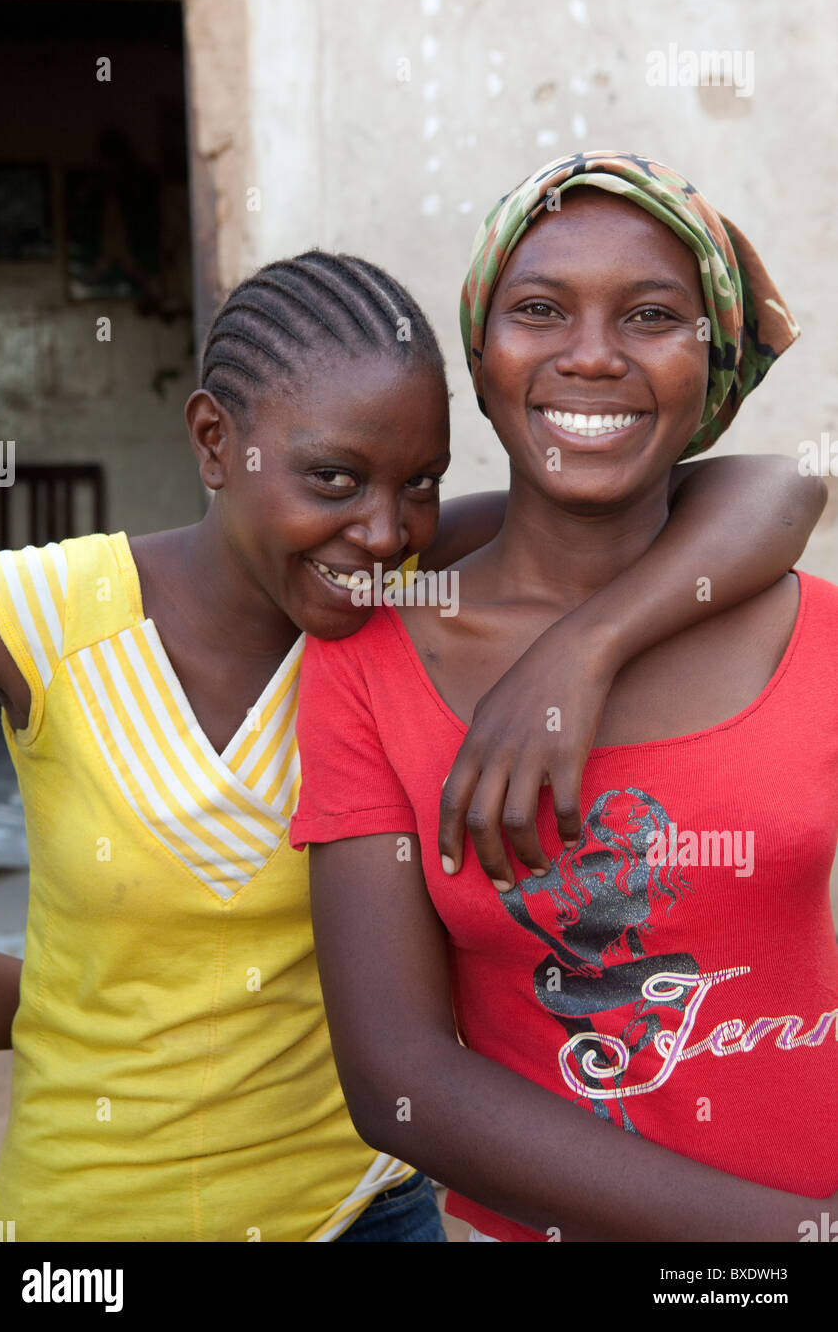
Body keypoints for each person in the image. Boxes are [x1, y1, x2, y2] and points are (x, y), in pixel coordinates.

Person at [0, 237, 824, 1241]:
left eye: (418, 480)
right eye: (332, 478)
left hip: (367, 1214)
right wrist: (64, 1005)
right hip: (92, 1225)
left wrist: (579, 650)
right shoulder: (46, 616)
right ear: (214, 442)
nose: (381, 530)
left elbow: (771, 491)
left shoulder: (400, 600)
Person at [291, 152, 838, 1242]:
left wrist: (578, 649)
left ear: (709, 358)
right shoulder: (371, 658)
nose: (590, 356)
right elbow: (398, 1078)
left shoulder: (811, 630)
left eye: (649, 315)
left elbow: (791, 482)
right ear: (483, 358)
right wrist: (796, 1239)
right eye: (538, 309)